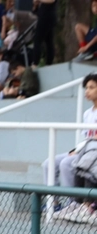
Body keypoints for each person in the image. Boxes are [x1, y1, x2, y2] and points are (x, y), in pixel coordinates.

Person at [42, 73, 97, 222]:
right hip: (84, 148)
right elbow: (86, 137)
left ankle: (75, 202)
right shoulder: (87, 113)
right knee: (49, 163)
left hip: (93, 152)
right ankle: (53, 203)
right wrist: (77, 149)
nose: (87, 91)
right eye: (86, 88)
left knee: (67, 163)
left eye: (92, 87)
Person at [32, 0, 56, 66]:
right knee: (48, 41)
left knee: (37, 40)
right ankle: (49, 62)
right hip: (43, 15)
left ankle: (35, 63)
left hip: (46, 17)